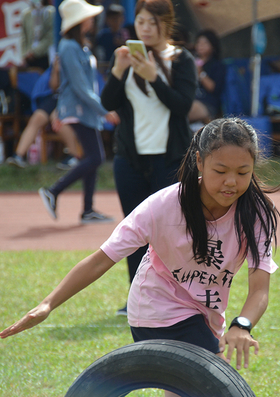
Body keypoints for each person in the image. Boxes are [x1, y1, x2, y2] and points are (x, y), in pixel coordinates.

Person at [0, 118, 280, 389]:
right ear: (199, 162)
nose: (231, 182)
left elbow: (260, 289)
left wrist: (242, 325)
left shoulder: (255, 213)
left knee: (186, 389)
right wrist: (48, 304)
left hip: (205, 314)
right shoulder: (163, 206)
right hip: (156, 308)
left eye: (242, 172)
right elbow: (101, 259)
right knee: (212, 383)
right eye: (220, 171)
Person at [100, 0, 197, 315]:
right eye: (140, 22)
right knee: (133, 229)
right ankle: (134, 298)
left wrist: (155, 77)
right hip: (130, 159)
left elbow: (182, 106)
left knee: (170, 229)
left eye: (151, 23)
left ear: (165, 25)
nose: (144, 28)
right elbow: (108, 102)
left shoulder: (182, 60)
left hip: (169, 160)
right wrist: (118, 70)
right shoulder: (127, 59)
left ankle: (173, 296)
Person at [38, 0, 119, 224]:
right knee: (96, 157)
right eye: (89, 16)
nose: (92, 20)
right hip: (78, 108)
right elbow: (80, 87)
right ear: (81, 21)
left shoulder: (78, 45)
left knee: (92, 157)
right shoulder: (69, 47)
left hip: (84, 109)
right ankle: (54, 191)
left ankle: (88, 210)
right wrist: (104, 111)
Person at [6, 58, 80, 169]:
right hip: (57, 97)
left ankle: (75, 156)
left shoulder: (80, 58)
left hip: (73, 99)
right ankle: (18, 156)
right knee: (37, 117)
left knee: (57, 118)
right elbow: (54, 87)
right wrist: (56, 70)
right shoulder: (60, 59)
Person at [188, 29, 226, 124]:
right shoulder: (191, 61)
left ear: (213, 46)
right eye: (198, 42)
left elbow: (213, 88)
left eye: (205, 43)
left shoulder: (217, 65)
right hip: (191, 98)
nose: (200, 46)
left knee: (185, 109)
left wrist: (201, 73)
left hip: (208, 104)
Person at [20, 0, 55, 71]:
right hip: (29, 58)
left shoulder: (51, 12)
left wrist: (35, 52)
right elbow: (23, 38)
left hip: (45, 56)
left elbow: (50, 37)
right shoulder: (26, 15)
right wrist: (24, 55)